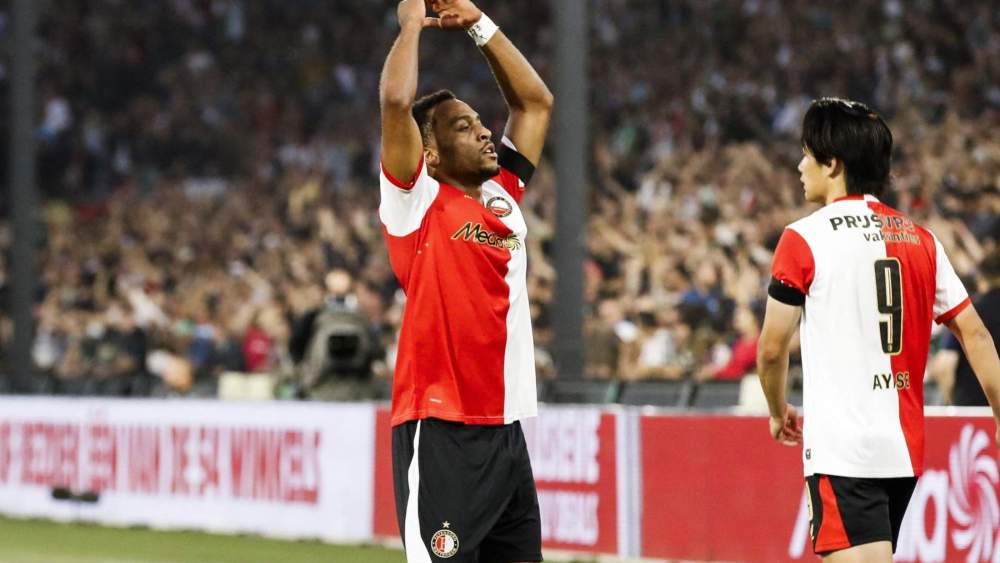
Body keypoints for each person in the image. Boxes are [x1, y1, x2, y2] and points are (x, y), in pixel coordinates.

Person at [756, 98, 1000, 562]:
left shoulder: (803, 238)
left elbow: (771, 350)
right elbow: (976, 334)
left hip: (844, 453)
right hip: (902, 451)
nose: (800, 165)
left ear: (833, 164)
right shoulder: (921, 238)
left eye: (808, 154)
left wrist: (775, 408)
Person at [378, 0, 552, 561]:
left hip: (506, 430)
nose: (483, 132)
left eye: (480, 122)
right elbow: (396, 101)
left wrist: (478, 22)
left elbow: (534, 102)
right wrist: (411, 27)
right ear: (428, 152)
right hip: (441, 428)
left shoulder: (502, 195)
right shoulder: (416, 202)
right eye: (463, 126)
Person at [929, 253, 1000, 406]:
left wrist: (949, 401)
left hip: (971, 409)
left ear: (982, 279)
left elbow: (946, 364)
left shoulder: (971, 312)